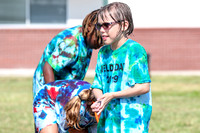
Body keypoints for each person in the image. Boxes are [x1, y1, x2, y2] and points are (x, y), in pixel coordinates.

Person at [91, 2, 152, 133]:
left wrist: (113, 95)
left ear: (124, 25)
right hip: (109, 121)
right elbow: (97, 85)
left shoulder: (134, 50)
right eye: (99, 25)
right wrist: (101, 100)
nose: (102, 30)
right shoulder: (103, 53)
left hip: (132, 121)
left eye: (106, 25)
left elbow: (143, 86)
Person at [32, 9, 103, 98]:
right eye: (99, 38)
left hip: (64, 89)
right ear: (89, 28)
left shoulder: (88, 40)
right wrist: (53, 99)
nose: (101, 43)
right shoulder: (71, 43)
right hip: (48, 87)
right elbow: (48, 67)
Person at [33, 79, 97, 133]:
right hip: (46, 98)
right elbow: (71, 128)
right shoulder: (81, 108)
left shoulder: (102, 109)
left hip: (70, 101)